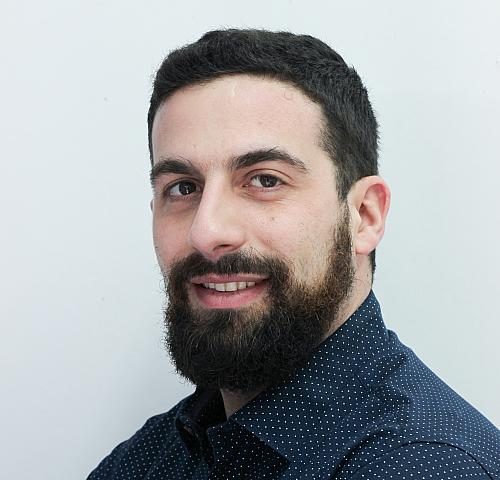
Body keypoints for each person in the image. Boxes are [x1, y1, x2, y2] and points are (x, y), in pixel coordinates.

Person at [88, 29, 500, 479]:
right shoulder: (148, 457)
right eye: (183, 188)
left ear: (364, 215)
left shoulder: (424, 464)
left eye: (265, 180)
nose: (206, 232)